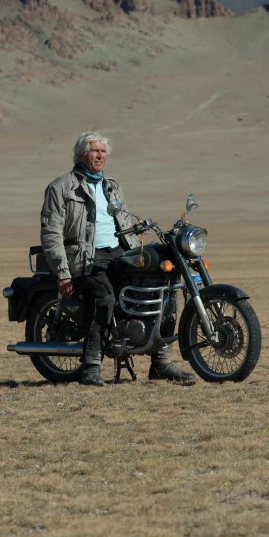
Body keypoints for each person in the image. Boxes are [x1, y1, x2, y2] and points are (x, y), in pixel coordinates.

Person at [39, 131, 195, 386]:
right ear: (81, 155)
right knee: (106, 297)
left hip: (119, 252)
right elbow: (51, 232)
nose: (100, 155)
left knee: (161, 287)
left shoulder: (112, 185)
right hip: (86, 258)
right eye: (94, 151)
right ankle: (91, 365)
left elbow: (123, 221)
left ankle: (161, 362)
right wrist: (62, 272)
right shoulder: (61, 187)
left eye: (103, 151)